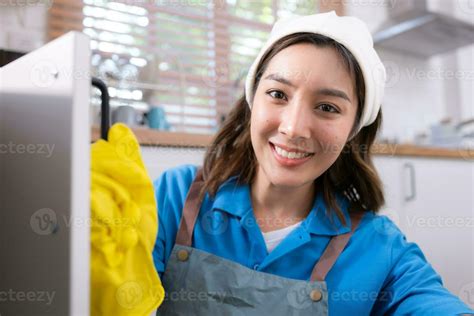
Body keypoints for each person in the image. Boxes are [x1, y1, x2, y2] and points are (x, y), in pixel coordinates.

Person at [152, 11, 473, 315]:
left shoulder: (380, 249)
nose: (293, 128)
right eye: (278, 94)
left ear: (353, 130)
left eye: (327, 107)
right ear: (252, 101)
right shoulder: (176, 198)